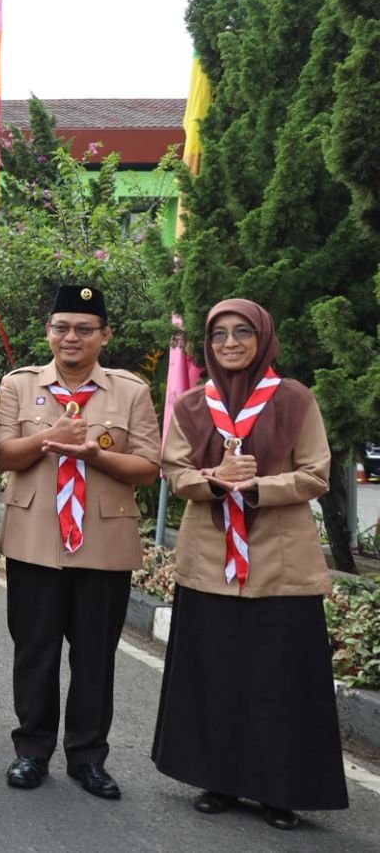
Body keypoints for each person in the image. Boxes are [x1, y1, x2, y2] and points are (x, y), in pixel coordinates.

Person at [153, 298, 347, 831]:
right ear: (208, 346)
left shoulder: (294, 400)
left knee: (278, 678)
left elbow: (316, 474)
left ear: (263, 338)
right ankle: (217, 779)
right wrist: (213, 478)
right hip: (210, 560)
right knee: (213, 674)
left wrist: (258, 486)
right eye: (219, 335)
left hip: (280, 561)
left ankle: (279, 790)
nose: (231, 343)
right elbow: (174, 470)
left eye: (242, 332)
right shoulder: (194, 404)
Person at [0, 285, 160, 799]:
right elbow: (1, 454)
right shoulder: (19, 386)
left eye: (85, 328)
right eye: (62, 326)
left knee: (94, 657)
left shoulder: (130, 392)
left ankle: (88, 757)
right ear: (48, 331)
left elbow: (150, 467)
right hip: (35, 541)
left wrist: (95, 455)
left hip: (103, 543)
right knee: (34, 651)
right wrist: (49, 440)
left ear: (104, 336)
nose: (72, 337)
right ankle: (32, 750)